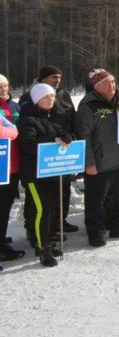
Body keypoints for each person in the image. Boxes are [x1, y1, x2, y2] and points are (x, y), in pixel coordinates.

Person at [76, 69, 119, 247]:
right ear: (97, 87)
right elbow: (83, 137)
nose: (111, 86)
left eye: (112, 82)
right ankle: (96, 233)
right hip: (100, 164)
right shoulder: (88, 107)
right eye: (106, 83)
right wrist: (88, 163)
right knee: (96, 201)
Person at [17, 83, 74, 267]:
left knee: (52, 209)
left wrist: (67, 137)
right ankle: (43, 247)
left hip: (53, 172)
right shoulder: (28, 119)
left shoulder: (56, 117)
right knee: (43, 210)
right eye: (46, 97)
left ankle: (47, 241)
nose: (51, 99)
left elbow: (64, 133)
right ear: (36, 100)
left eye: (52, 96)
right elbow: (27, 144)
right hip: (35, 175)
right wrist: (52, 139)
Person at [17, 66, 78, 234]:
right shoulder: (28, 100)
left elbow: (70, 118)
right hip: (39, 165)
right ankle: (34, 231)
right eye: (53, 77)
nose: (57, 81)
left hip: (61, 155)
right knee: (39, 203)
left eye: (59, 77)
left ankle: (58, 223)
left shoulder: (63, 95)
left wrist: (71, 136)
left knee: (60, 193)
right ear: (43, 78)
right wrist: (53, 138)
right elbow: (28, 139)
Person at [0, 75, 24, 266]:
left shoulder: (14, 106)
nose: (4, 89)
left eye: (6, 85)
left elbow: (20, 129)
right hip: (1, 164)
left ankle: (2, 236)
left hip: (14, 163)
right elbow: (10, 131)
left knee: (5, 204)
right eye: (0, 86)